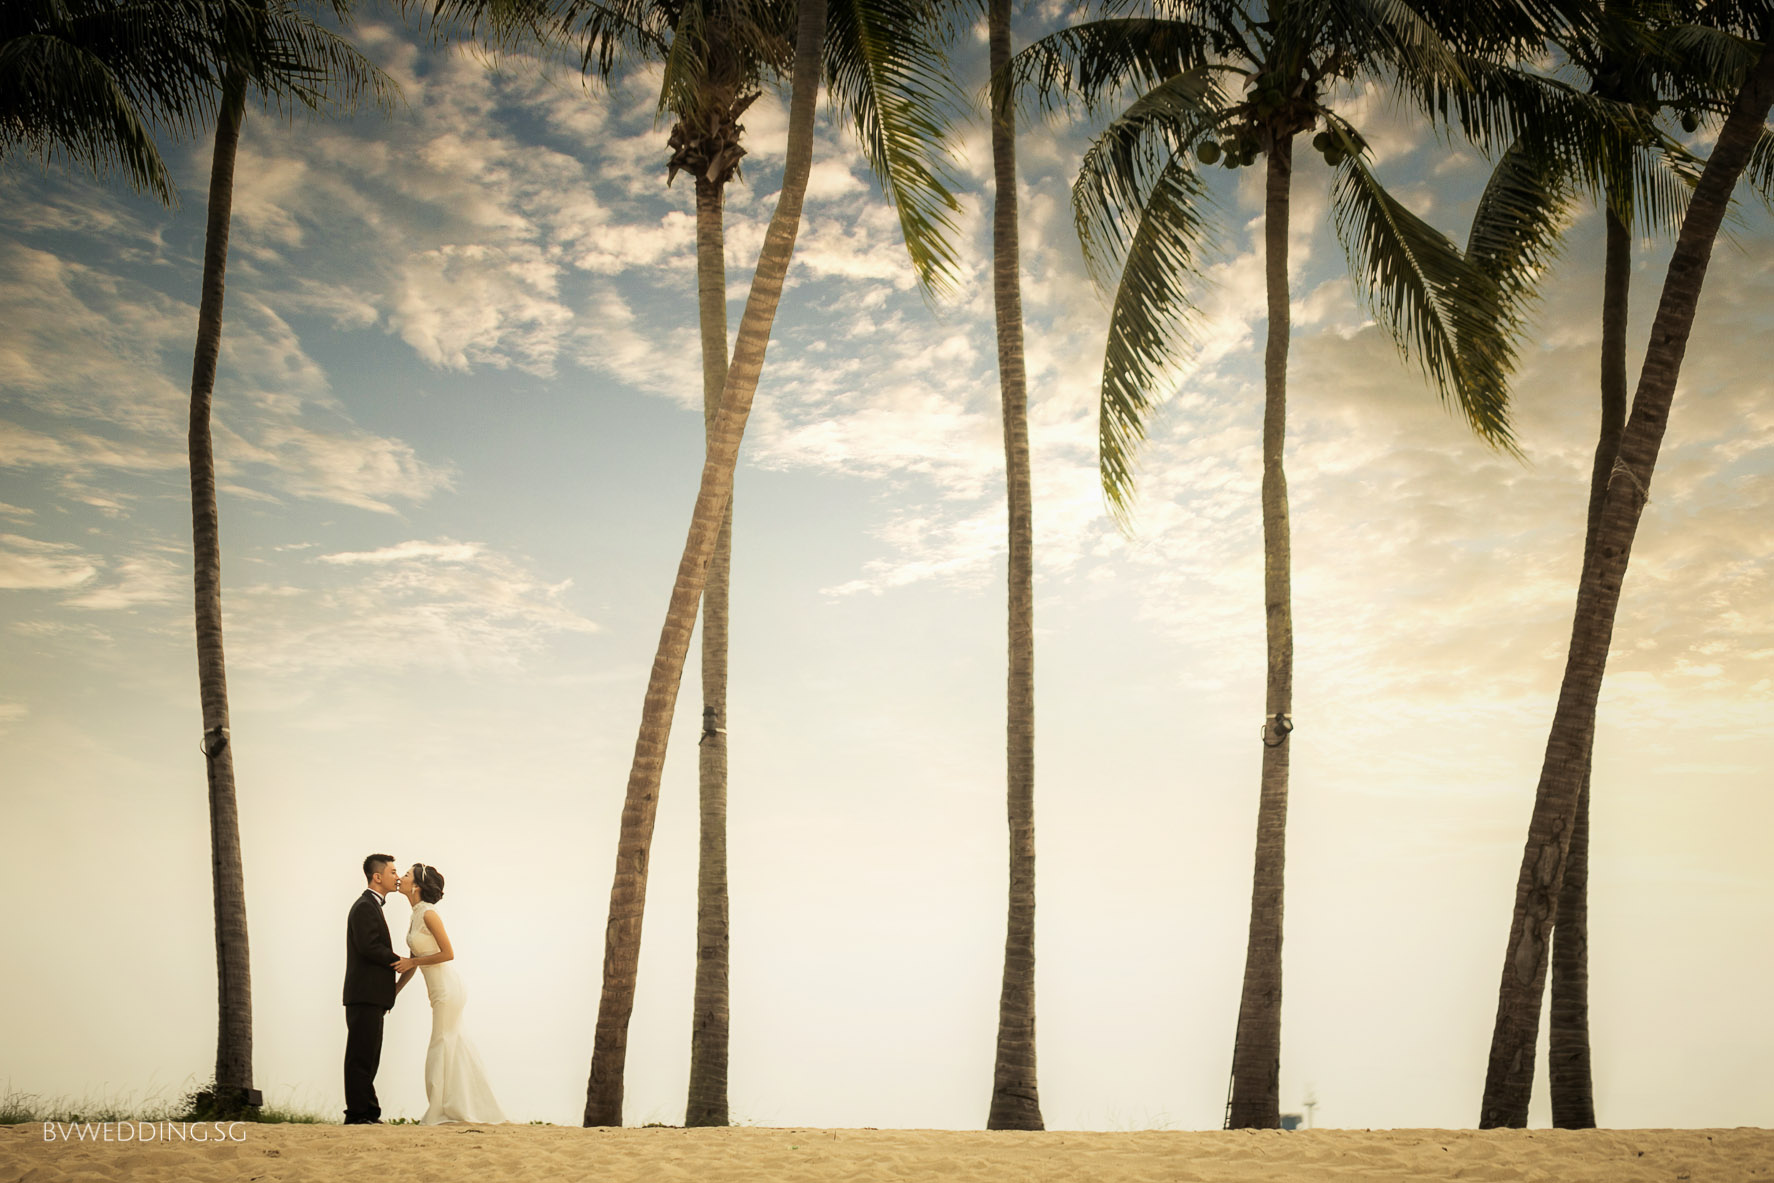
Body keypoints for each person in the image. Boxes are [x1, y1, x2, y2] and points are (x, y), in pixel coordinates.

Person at [394, 862, 507, 1124]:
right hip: (436, 989)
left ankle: (441, 1110)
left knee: (441, 1043)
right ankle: (462, 1105)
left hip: (447, 988)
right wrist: (395, 991)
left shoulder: (429, 915)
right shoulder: (415, 915)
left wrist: (413, 963)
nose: (401, 877)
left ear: (417, 886)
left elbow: (448, 953)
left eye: (407, 875)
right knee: (452, 1045)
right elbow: (413, 960)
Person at [343, 852, 402, 1124]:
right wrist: (399, 961)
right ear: (377, 877)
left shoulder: (371, 905)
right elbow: (368, 946)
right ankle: (357, 1114)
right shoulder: (365, 906)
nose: (397, 877)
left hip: (371, 996)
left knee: (369, 1056)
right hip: (364, 994)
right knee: (361, 1057)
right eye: (392, 872)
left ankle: (367, 1111)